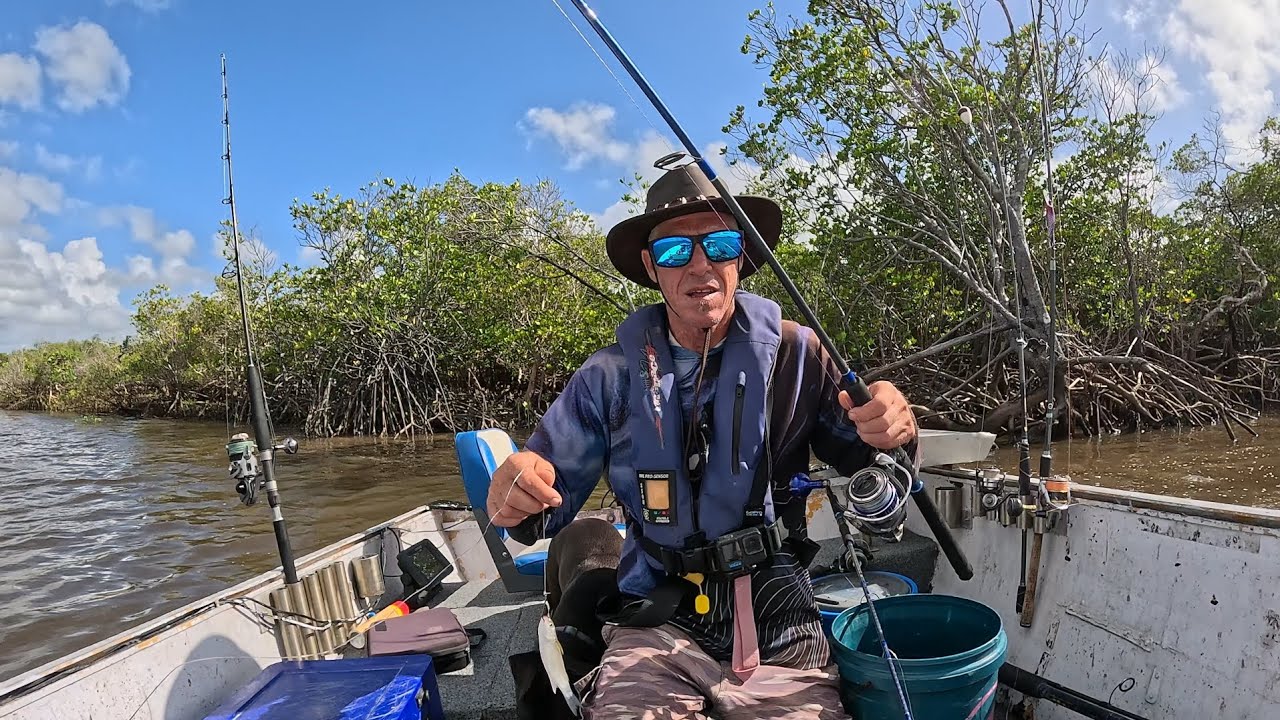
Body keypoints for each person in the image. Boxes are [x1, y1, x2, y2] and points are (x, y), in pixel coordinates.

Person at [487, 157, 918, 720]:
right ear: (651, 265)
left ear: (741, 254)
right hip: (654, 611)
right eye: (673, 251)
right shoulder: (607, 378)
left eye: (718, 245)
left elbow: (882, 480)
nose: (699, 266)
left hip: (778, 607)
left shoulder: (799, 354)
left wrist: (894, 431)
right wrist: (517, 489)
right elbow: (539, 502)